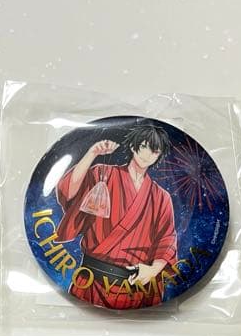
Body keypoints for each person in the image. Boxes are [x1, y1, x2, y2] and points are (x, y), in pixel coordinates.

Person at [53, 121, 177, 308]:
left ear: (159, 156)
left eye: (155, 151)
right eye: (144, 146)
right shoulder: (103, 173)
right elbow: (68, 192)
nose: (147, 154)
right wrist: (92, 153)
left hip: (136, 288)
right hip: (92, 282)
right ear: (133, 146)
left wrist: (154, 269)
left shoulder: (161, 197)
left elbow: (167, 239)